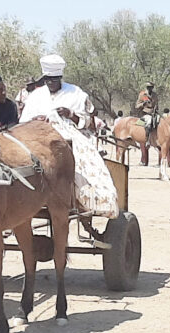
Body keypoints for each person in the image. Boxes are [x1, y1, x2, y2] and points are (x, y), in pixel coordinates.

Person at [20, 54, 118, 218]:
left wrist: (71, 114)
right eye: (47, 80)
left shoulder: (76, 93)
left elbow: (90, 123)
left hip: (68, 134)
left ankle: (85, 199)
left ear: (60, 77)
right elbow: (22, 122)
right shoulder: (35, 96)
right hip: (37, 134)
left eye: (54, 79)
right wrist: (35, 120)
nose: (51, 83)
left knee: (79, 160)